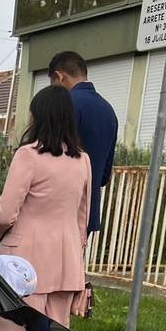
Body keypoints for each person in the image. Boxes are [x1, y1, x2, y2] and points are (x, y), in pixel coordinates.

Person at [0, 86, 91, 328]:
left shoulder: (28, 155)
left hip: (25, 262)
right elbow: (82, 216)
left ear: (38, 116)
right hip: (67, 261)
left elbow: (5, 213)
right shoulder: (82, 160)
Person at [48, 51, 118, 234]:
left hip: (56, 212)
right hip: (86, 214)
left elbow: (47, 159)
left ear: (59, 76)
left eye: (53, 85)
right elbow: (104, 176)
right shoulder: (109, 111)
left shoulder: (65, 105)